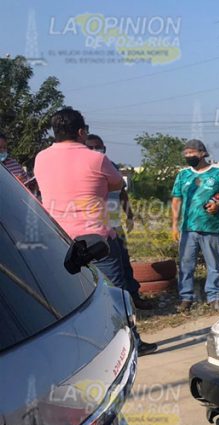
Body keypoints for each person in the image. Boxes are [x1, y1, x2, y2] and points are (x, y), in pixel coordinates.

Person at [34, 108, 157, 355]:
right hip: (97, 240)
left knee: (74, 297)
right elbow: (117, 184)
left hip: (60, 240)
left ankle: (86, 347)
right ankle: (131, 343)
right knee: (115, 294)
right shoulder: (95, 159)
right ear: (81, 132)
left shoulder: (41, 158)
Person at [85, 134, 155, 311]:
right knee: (107, 270)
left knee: (124, 263)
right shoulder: (85, 170)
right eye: (91, 147)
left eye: (99, 147)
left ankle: (133, 297)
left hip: (116, 225)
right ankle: (112, 306)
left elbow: (122, 194)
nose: (96, 150)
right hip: (98, 229)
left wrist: (129, 215)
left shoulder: (111, 166)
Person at [171, 139, 219, 312]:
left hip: (211, 227)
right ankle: (186, 298)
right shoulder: (183, 175)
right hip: (188, 228)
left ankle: (214, 297)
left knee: (213, 264)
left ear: (202, 153)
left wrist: (218, 205)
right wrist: (174, 224)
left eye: (192, 152)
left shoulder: (218, 174)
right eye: (186, 153)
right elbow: (176, 199)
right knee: (186, 265)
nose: (188, 156)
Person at [0, 132, 38, 198]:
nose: (2, 150)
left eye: (5, 147)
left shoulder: (14, 163)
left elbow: (27, 179)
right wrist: (13, 183)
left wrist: (27, 183)